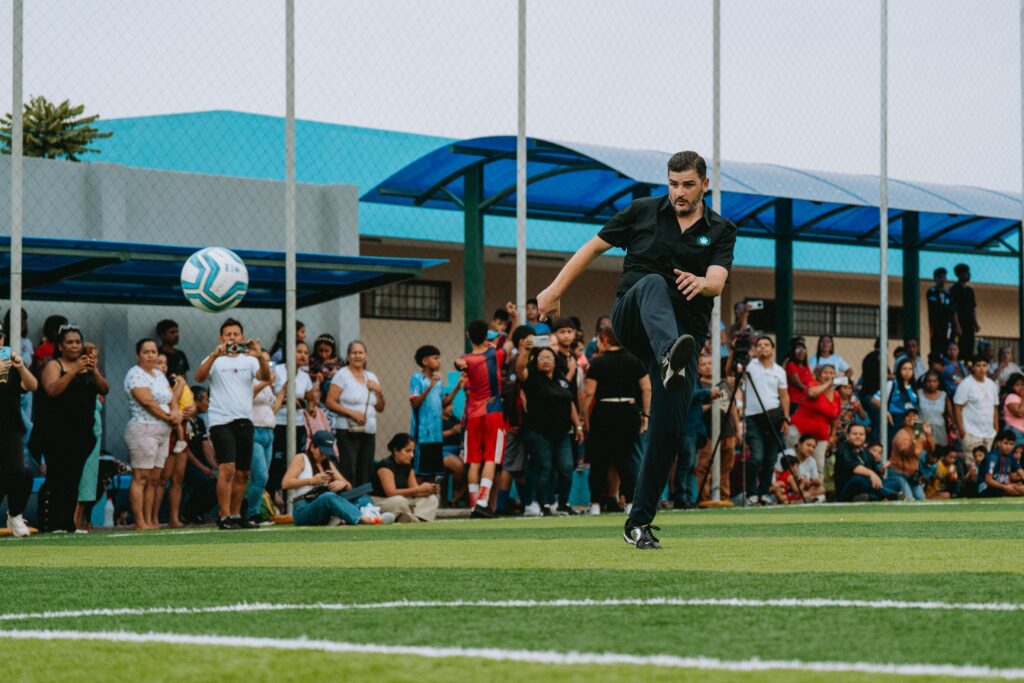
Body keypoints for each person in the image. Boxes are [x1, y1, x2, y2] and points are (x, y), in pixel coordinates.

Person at [537, 150, 736, 547]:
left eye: (688, 185)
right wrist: (554, 290)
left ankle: (638, 523)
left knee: (666, 430)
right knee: (652, 283)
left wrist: (703, 284)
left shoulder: (720, 229)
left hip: (685, 341)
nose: (679, 192)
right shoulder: (641, 212)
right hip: (633, 319)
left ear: (705, 186)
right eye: (673, 183)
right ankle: (668, 356)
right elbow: (591, 248)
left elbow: (717, 280)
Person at [193, 318, 271, 530]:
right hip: (221, 421)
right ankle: (224, 515)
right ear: (221, 338)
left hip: (245, 420)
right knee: (227, 468)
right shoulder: (215, 359)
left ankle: (236, 515)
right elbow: (199, 377)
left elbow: (266, 376)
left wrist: (259, 356)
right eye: (228, 334)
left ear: (242, 337)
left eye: (236, 334)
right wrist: (214, 354)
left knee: (244, 472)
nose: (232, 338)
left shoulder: (250, 360)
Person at [32, 324, 109, 533]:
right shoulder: (54, 365)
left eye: (78, 342)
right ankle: (53, 523)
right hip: (57, 433)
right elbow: (52, 390)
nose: (74, 346)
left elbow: (105, 389)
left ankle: (68, 523)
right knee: (58, 477)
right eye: (69, 342)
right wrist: (73, 371)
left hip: (82, 433)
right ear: (61, 345)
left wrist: (94, 372)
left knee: (74, 477)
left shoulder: (88, 367)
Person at [580, 324, 650, 514]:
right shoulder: (635, 361)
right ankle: (629, 502)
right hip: (629, 411)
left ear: (605, 340)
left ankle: (594, 504)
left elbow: (588, 392)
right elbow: (646, 388)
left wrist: (582, 416)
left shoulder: (598, 363)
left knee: (600, 459)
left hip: (604, 411)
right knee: (625, 459)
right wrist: (646, 413)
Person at [517, 342, 584, 516]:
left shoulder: (561, 379)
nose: (545, 361)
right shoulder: (531, 378)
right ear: (535, 361)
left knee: (567, 468)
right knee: (544, 468)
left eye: (549, 357)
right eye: (541, 358)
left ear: (555, 361)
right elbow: (520, 369)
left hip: (562, 432)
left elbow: (569, 402)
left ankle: (563, 504)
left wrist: (577, 425)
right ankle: (544, 505)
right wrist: (526, 351)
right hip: (539, 432)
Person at [124, 339, 179, 530]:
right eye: (146, 352)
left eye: (153, 351)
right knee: (141, 476)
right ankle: (140, 521)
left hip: (163, 432)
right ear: (138, 354)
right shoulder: (135, 374)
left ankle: (150, 520)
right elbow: (146, 401)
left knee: (155, 479)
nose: (150, 355)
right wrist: (168, 417)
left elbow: (171, 397)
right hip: (143, 429)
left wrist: (175, 412)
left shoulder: (158, 374)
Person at [455, 320, 507, 518]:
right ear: (486, 335)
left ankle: (473, 504)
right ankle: (484, 502)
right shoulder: (495, 354)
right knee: (491, 458)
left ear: (468, 335)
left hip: (473, 415)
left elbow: (459, 365)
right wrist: (514, 318)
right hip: (494, 411)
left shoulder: (465, 358)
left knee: (474, 460)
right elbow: (509, 342)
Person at [282, 430, 380, 526]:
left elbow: (348, 486)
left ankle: (362, 515)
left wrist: (343, 484)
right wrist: (311, 481)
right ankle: (361, 518)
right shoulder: (301, 458)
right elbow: (285, 483)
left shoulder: (327, 463)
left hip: (325, 507)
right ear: (312, 446)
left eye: (326, 453)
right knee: (328, 497)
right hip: (304, 508)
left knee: (363, 498)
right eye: (322, 453)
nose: (324, 456)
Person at [326, 340, 384, 487]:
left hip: (368, 429)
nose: (357, 356)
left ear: (366, 356)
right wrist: (352, 413)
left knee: (366, 468)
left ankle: (362, 503)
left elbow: (380, 407)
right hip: (347, 429)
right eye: (354, 352)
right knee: (349, 467)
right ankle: (348, 501)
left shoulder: (371, 376)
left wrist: (378, 391)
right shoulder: (342, 375)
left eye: (361, 352)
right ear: (348, 356)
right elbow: (330, 402)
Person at [0, 324, 38, 537]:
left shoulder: (10, 367)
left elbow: (33, 386)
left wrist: (21, 366)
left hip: (10, 428)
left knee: (19, 473)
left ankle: (14, 514)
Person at [743, 336, 791, 503]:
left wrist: (786, 418)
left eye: (766, 345)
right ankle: (751, 493)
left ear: (772, 349)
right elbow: (731, 372)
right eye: (759, 345)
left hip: (774, 416)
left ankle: (763, 493)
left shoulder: (779, 371)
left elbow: (784, 396)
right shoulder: (749, 366)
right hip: (753, 417)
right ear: (756, 349)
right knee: (756, 456)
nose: (762, 348)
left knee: (770, 458)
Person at [268, 342, 315, 504]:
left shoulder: (305, 376)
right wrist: (286, 400)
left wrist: (309, 406)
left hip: (298, 424)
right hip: (279, 423)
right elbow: (268, 396)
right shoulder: (278, 371)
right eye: (299, 351)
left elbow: (311, 401)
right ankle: (274, 500)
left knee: (296, 462)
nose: (303, 355)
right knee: (275, 464)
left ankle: (295, 502)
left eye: (306, 352)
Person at [409, 345, 459, 479]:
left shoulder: (438, 381)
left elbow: (443, 403)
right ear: (425, 361)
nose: (439, 361)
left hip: (437, 436)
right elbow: (415, 403)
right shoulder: (417, 378)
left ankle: (434, 500)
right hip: (422, 435)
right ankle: (416, 499)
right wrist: (430, 386)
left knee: (434, 474)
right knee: (420, 473)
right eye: (435, 358)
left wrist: (457, 388)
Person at [370, 433, 440, 522]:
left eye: (413, 451)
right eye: (408, 451)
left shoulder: (407, 466)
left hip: (404, 502)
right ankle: (415, 519)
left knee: (432, 499)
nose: (412, 455)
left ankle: (412, 519)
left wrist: (428, 490)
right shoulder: (385, 465)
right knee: (399, 501)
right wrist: (419, 489)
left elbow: (415, 492)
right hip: (383, 501)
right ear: (396, 450)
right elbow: (390, 493)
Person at [789, 364, 840, 476]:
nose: (828, 375)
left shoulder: (836, 395)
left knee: (819, 466)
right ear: (819, 376)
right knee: (792, 461)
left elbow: (835, 417)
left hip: (820, 436)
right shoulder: (813, 385)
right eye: (825, 373)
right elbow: (812, 394)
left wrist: (832, 434)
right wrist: (828, 384)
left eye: (831, 373)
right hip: (799, 430)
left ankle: (817, 492)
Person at [247, 350, 277, 525]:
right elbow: (246, 396)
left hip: (268, 431)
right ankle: (252, 513)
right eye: (261, 361)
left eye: (268, 361)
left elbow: (270, 407)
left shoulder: (268, 384)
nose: (266, 365)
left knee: (263, 476)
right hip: (254, 430)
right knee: (260, 476)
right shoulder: (250, 378)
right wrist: (265, 382)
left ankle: (257, 511)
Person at [834, 424, 899, 502]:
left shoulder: (867, 454)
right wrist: (871, 474)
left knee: (896, 481)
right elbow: (854, 467)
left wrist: (880, 471)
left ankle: (869, 497)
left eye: (861, 434)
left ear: (865, 437)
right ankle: (890, 495)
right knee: (858, 479)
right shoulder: (842, 450)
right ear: (848, 436)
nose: (858, 436)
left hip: (867, 488)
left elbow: (876, 476)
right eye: (854, 434)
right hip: (847, 491)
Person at [182, 386, 218, 524]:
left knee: (217, 482)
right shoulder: (185, 421)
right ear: (195, 401)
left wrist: (214, 466)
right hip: (188, 463)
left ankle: (199, 512)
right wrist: (203, 469)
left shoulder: (200, 421)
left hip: (200, 462)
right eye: (205, 400)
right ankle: (189, 513)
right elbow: (186, 450)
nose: (207, 403)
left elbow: (205, 445)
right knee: (204, 481)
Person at [953, 355, 999, 456]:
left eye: (984, 365)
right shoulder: (966, 384)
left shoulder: (992, 384)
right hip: (971, 434)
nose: (982, 368)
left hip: (989, 434)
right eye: (978, 365)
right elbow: (957, 407)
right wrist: (962, 431)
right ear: (973, 367)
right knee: (973, 468)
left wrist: (996, 429)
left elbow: (995, 408)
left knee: (986, 467)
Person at [886, 406, 934, 501]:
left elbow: (931, 449)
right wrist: (913, 443)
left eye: (914, 415)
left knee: (921, 499)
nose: (912, 417)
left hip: (912, 475)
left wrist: (928, 434)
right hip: (899, 474)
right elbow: (906, 453)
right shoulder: (901, 434)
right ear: (904, 420)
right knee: (910, 500)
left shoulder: (917, 431)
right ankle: (894, 497)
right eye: (908, 416)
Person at [872, 358, 919, 441]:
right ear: (899, 370)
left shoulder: (915, 387)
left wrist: (917, 430)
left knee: (915, 443)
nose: (907, 372)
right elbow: (874, 399)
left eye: (910, 369)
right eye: (904, 369)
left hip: (914, 421)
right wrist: (886, 412)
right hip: (896, 420)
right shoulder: (892, 384)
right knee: (896, 445)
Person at [976, 430, 1024, 498]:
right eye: (1005, 443)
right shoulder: (993, 457)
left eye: (1011, 444)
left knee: (1019, 487)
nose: (1008, 447)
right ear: (998, 443)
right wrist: (1006, 487)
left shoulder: (1010, 457)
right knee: (1018, 488)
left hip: (1002, 487)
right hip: (986, 488)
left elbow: (1021, 472)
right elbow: (988, 480)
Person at [949, 263, 978, 357]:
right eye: (966, 272)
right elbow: (953, 309)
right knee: (960, 346)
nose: (969, 274)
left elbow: (973, 307)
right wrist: (957, 325)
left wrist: (975, 323)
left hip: (969, 323)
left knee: (970, 347)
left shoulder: (970, 290)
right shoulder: (954, 289)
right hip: (960, 323)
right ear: (959, 274)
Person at [916, 370, 951, 447]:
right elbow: (915, 415)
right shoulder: (919, 393)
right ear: (924, 383)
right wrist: (916, 435)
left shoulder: (944, 395)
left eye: (934, 381)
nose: (931, 384)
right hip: (922, 430)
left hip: (939, 431)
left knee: (939, 455)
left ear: (938, 382)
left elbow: (950, 415)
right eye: (929, 381)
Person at [926, 267, 955, 357]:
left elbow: (952, 309)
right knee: (936, 347)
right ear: (935, 278)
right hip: (936, 325)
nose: (942, 279)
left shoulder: (948, 293)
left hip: (947, 325)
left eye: (944, 277)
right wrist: (945, 308)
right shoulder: (931, 292)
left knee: (948, 345)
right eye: (940, 277)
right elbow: (936, 307)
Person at [859, 338, 883, 443]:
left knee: (873, 423)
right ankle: (874, 445)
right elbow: (883, 375)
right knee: (877, 424)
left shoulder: (868, 357)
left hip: (866, 394)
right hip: (873, 396)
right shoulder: (879, 357)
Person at [784, 337, 813, 409]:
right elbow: (799, 385)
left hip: (806, 400)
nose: (801, 352)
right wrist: (813, 391)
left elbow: (812, 379)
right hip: (795, 401)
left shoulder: (805, 366)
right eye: (797, 350)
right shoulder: (791, 364)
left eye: (803, 350)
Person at [1001, 373, 1024, 445]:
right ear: (1011, 386)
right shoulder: (1011, 397)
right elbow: (1019, 413)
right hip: (1014, 431)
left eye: (1022, 385)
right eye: (1017, 385)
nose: (1021, 387)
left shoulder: (1020, 397)